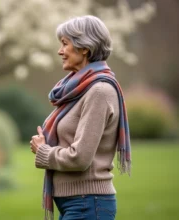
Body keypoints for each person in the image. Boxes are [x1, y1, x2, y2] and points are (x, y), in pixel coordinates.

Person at [30, 15, 131, 220]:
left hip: (88, 204)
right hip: (78, 203)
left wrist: (44, 152)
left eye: (65, 44)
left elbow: (80, 158)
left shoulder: (99, 91)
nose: (60, 51)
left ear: (84, 47)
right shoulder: (79, 89)